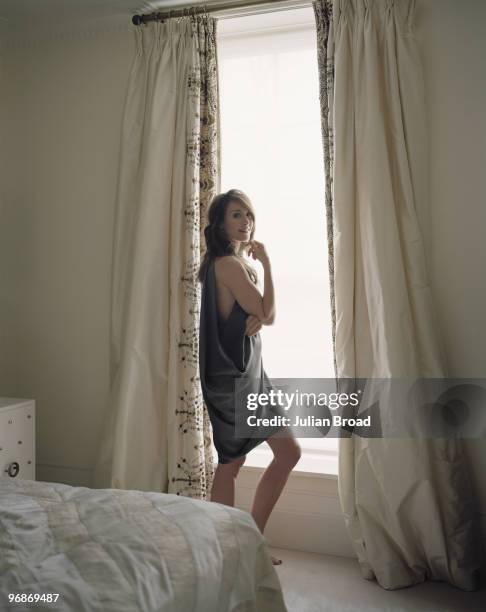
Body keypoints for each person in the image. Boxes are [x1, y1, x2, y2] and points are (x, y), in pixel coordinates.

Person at [198, 189, 301, 566]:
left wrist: (252, 317)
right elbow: (267, 315)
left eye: (249, 215)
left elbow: (257, 316)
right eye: (236, 216)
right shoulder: (228, 265)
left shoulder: (231, 265)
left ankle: (247, 542)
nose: (246, 223)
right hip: (234, 380)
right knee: (231, 462)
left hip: (252, 375)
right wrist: (269, 265)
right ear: (221, 223)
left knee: (287, 452)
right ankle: (231, 548)